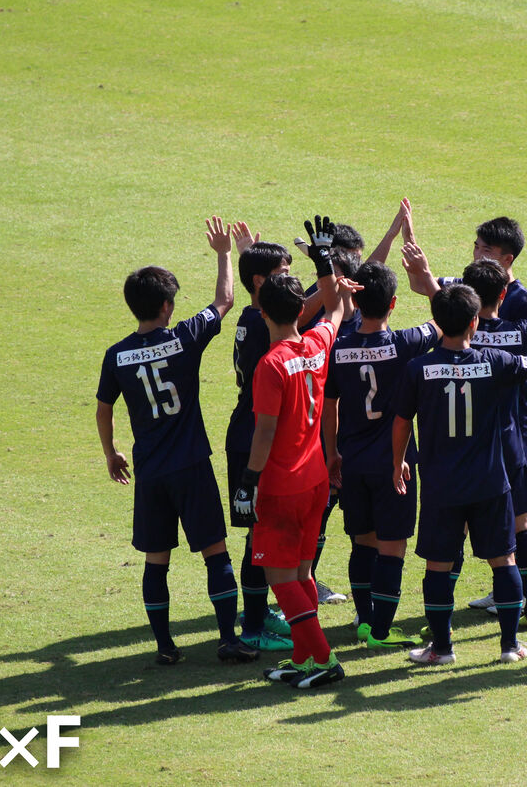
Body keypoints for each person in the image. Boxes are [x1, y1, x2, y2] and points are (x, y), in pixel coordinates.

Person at [392, 284, 527, 665]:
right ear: (474, 322)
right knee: (504, 561)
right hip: (491, 482)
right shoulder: (495, 361)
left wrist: (400, 459)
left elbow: (401, 421)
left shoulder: (418, 368)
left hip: (441, 485)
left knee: (438, 566)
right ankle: (510, 645)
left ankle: (442, 650)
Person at [95, 217, 257, 665]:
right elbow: (224, 300)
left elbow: (104, 406)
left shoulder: (117, 355)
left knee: (156, 560)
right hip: (190, 465)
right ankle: (228, 639)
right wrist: (225, 253)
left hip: (149, 470)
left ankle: (165, 647)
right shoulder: (184, 338)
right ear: (166, 306)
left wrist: (111, 452)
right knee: (215, 551)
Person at [231, 216, 359, 689]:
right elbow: (336, 312)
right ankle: (305, 658)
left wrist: (247, 481)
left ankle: (324, 659)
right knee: (302, 572)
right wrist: (325, 263)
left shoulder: (271, 364)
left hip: (282, 485)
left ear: (262, 311)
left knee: (282, 578)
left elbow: (263, 433)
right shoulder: (317, 343)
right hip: (315, 479)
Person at [301, 198, 415, 605]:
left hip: (340, 446)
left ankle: (332, 597)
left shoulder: (336, 338)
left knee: (357, 536)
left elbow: (374, 275)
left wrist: (332, 452)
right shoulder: (402, 343)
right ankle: (364, 615)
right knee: (379, 539)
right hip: (374, 453)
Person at [322, 261, 440, 648]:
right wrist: (428, 279)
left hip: (352, 461)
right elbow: (447, 321)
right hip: (396, 463)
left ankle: (364, 620)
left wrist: (332, 453)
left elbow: (329, 405)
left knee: (362, 542)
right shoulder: (407, 342)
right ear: (393, 303)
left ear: (355, 300)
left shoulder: (337, 348)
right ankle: (381, 632)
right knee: (393, 547)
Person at [460, 259, 527, 630]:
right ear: (503, 294)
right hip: (511, 441)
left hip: (464, 447)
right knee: (521, 519)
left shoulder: (453, 334)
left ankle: (439, 624)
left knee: (455, 525)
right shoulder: (520, 332)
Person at [223, 238, 297, 653]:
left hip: (248, 431)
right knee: (258, 533)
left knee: (261, 531)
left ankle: (258, 611)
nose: (291, 282)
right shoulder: (260, 322)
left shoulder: (254, 316)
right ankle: (252, 626)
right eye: (283, 275)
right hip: (252, 439)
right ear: (260, 281)